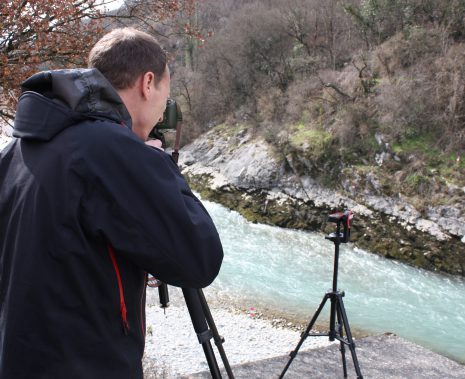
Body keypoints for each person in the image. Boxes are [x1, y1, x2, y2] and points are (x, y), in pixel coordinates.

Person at [0, 27, 223, 378]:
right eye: (166, 91)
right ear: (148, 83)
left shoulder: (20, 148)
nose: (165, 106)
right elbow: (200, 259)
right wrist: (159, 166)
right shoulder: (110, 152)